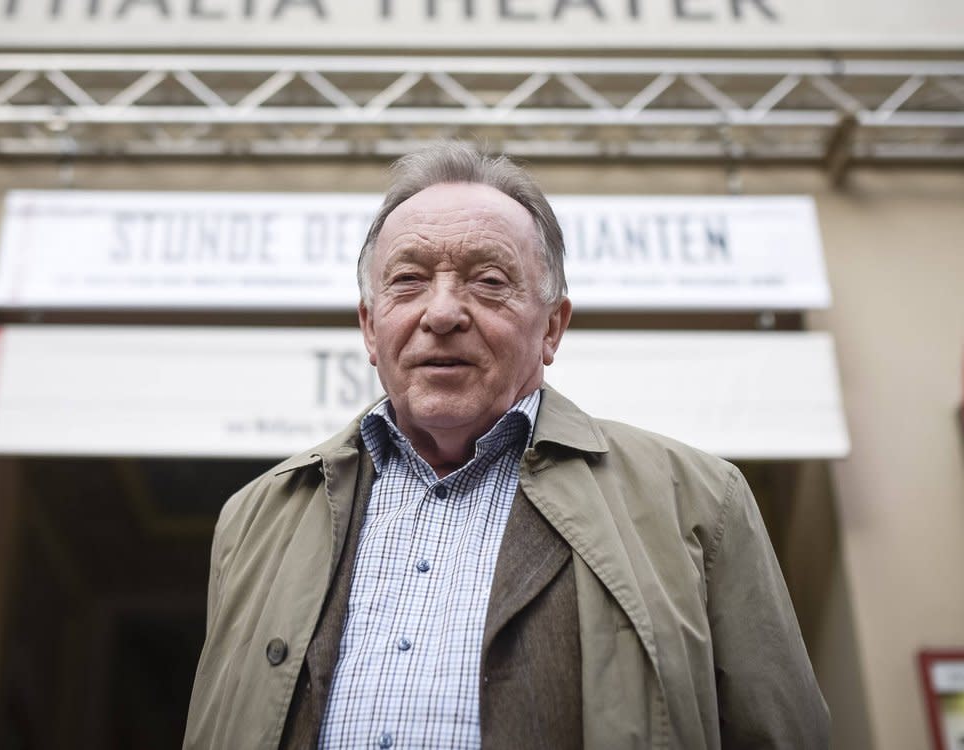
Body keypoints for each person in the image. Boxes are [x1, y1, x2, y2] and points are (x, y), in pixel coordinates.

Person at [184, 142, 829, 749]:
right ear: (369, 327)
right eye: (408, 281)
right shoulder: (254, 519)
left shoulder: (700, 503)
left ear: (552, 327)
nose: (441, 313)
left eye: (488, 281)